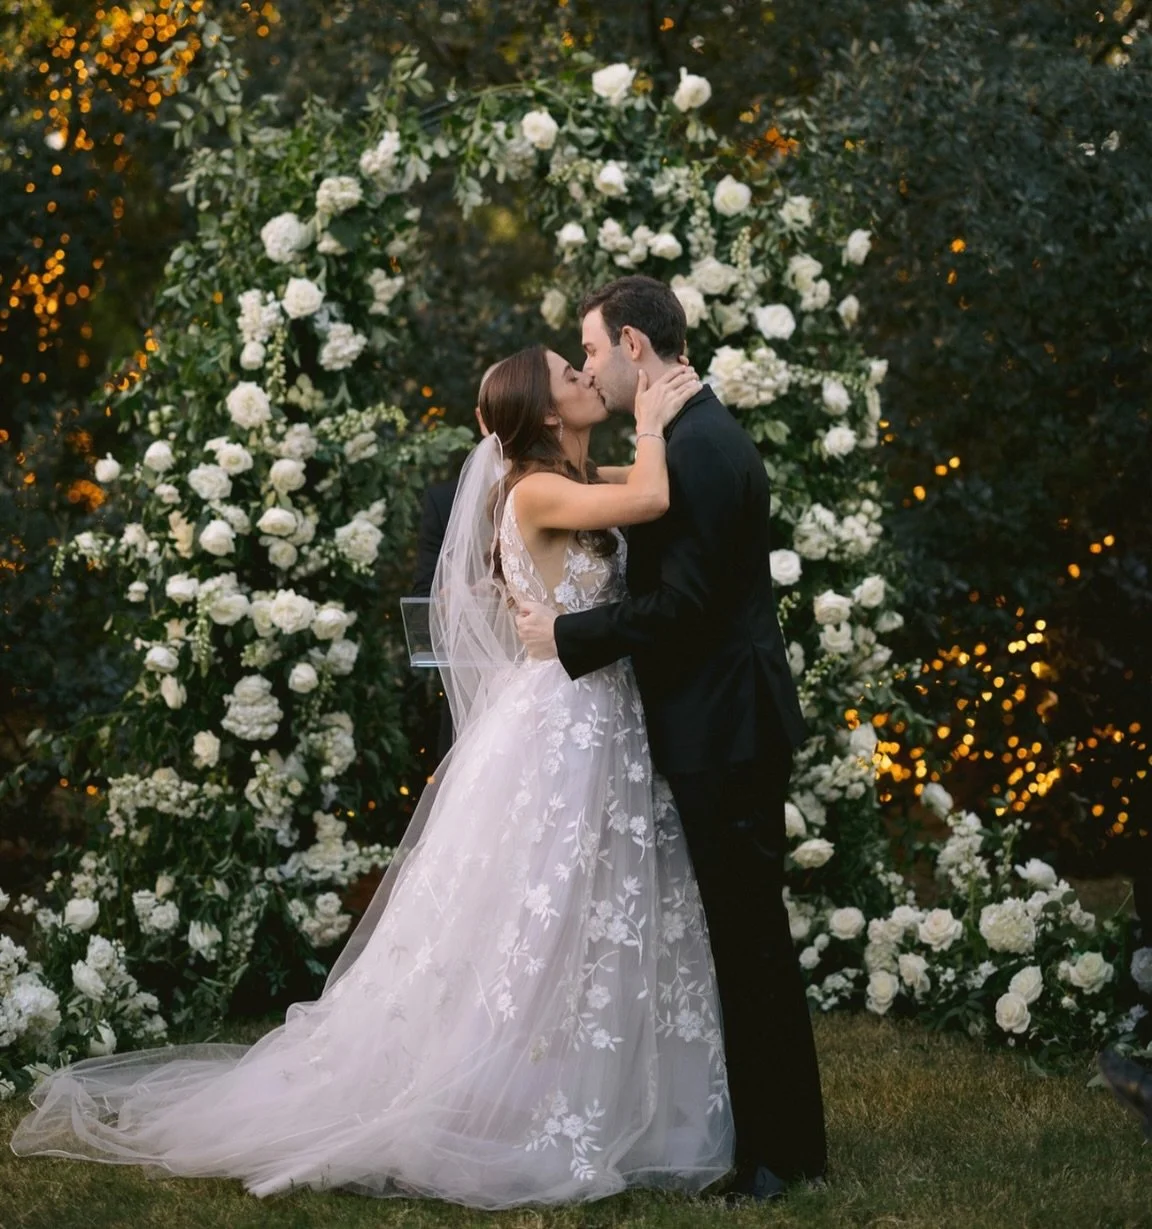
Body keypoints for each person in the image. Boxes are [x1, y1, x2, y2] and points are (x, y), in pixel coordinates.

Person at [11, 347, 735, 1210]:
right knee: (534, 911)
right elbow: (651, 494)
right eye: (570, 375)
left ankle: (594, 1087)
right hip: (563, 724)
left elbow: (635, 487)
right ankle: (491, 1099)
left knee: (592, 907)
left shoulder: (573, 472)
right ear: (545, 413)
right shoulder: (537, 490)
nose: (589, 379)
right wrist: (655, 415)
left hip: (601, 711)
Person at [516, 275, 827, 1198]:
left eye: (594, 351)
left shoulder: (696, 447)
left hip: (723, 726)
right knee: (750, 939)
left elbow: (685, 604)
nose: (590, 368)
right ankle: (785, 1148)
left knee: (750, 944)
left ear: (635, 348)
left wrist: (567, 636)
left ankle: (775, 1163)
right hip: (723, 720)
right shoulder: (691, 434)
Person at [411, 378, 495, 761]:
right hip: (473, 697)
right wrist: (454, 597)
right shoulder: (445, 501)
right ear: (482, 417)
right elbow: (423, 599)